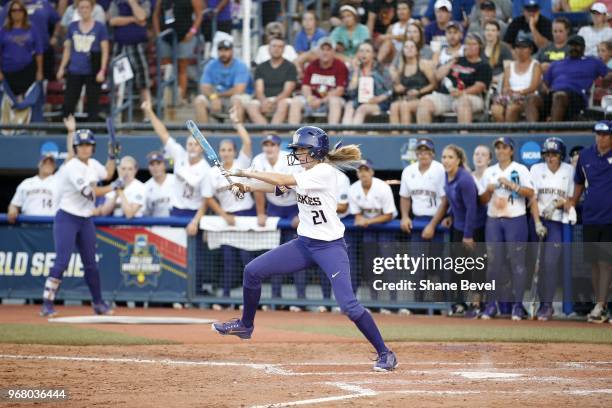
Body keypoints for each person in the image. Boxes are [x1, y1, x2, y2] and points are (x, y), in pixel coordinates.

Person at [212, 126, 399, 372]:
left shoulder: (323, 171)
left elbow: (282, 180)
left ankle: (385, 353)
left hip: (330, 247)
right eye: (297, 149)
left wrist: (246, 173)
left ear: (316, 151)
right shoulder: (305, 170)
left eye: (302, 149)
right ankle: (246, 326)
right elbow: (279, 188)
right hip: (304, 244)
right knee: (252, 271)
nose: (298, 153)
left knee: (349, 306)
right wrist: (246, 187)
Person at [40, 121, 119, 317]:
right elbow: (90, 193)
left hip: (85, 219)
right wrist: (116, 186)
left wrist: (112, 155)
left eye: (88, 145)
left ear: (92, 147)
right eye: (81, 145)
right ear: (75, 148)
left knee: (91, 263)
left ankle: (99, 303)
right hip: (67, 216)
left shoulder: (92, 164)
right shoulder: (72, 166)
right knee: (62, 261)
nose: (84, 148)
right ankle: (47, 303)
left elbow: (108, 173)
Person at [423, 144, 486, 318]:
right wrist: (449, 215)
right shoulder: (445, 175)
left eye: (450, 157)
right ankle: (459, 304)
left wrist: (468, 235)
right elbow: (452, 200)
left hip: (474, 228)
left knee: (476, 267)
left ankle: (477, 304)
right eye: (444, 157)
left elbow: (472, 208)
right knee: (458, 267)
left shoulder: (465, 179)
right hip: (458, 226)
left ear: (458, 160)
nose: (446, 160)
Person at [479, 137, 535, 320]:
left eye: (505, 148)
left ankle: (518, 306)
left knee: (517, 263)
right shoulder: (489, 171)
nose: (501, 151)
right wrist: (488, 190)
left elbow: (531, 193)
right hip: (494, 219)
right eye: (498, 148)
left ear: (511, 150)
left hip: (515, 218)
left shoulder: (520, 169)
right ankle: (490, 305)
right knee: (493, 264)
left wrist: (512, 185)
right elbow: (482, 200)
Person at [201, 110, 254, 301]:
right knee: (228, 260)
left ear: (234, 151)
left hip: (246, 214)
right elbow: (208, 198)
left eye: (229, 149)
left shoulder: (241, 163)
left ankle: (251, 297)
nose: (226, 153)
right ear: (219, 152)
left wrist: (236, 122)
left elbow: (247, 142)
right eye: (223, 150)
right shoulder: (212, 172)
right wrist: (223, 215)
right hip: (227, 217)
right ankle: (225, 297)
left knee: (247, 259)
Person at [251, 133, 305, 308]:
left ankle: (301, 299)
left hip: (293, 206)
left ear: (278, 146)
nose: (269, 148)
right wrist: (260, 212)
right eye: (266, 145)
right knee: (273, 253)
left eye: (272, 145)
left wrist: (302, 214)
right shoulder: (258, 160)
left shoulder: (290, 159)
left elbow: (301, 186)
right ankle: (275, 299)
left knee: (298, 253)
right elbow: (257, 188)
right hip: (274, 206)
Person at [568, 121, 612, 323]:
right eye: (598, 134)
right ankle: (600, 304)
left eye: (605, 134)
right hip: (591, 216)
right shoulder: (585, 155)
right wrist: (572, 203)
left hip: (610, 217)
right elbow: (578, 181)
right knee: (594, 262)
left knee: (605, 263)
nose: (601, 138)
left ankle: (601, 305)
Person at [141, 101, 210, 228]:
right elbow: (163, 134)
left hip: (194, 213)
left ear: (202, 148)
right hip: (176, 210)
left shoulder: (206, 169)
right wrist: (150, 112)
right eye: (190, 144)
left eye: (196, 145)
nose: (193, 148)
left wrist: (195, 221)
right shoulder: (179, 155)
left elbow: (206, 200)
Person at [529, 137, 575, 321]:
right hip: (538, 221)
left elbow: (573, 198)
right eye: (547, 154)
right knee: (537, 265)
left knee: (550, 263)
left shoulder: (569, 170)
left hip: (557, 222)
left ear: (561, 155)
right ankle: (541, 304)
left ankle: (547, 305)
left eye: (554, 154)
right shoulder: (536, 169)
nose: (550, 158)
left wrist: (558, 203)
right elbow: (532, 199)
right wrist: (537, 223)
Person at [348, 159, 402, 313]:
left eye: (366, 170)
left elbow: (389, 215)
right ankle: (374, 302)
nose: (363, 173)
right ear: (357, 173)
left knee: (388, 264)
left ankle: (394, 303)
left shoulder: (382, 187)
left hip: (385, 226)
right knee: (371, 265)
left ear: (372, 172)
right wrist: (361, 219)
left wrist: (368, 221)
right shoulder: (353, 189)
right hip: (369, 228)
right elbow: (357, 215)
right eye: (360, 170)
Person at [399, 138, 446, 303]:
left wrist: (433, 224)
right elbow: (405, 197)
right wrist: (405, 216)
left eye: (427, 151)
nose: (423, 154)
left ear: (433, 154)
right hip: (418, 221)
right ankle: (417, 305)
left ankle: (441, 307)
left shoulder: (440, 169)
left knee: (438, 268)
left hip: (438, 223)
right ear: (416, 153)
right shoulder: (408, 171)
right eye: (420, 151)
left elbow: (445, 199)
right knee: (417, 267)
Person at [526, 35, 610, 122]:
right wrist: (543, 88)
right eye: (571, 45)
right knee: (531, 98)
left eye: (576, 45)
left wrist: (606, 81)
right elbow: (544, 83)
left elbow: (609, 74)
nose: (573, 48)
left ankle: (553, 131)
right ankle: (533, 132)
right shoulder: (556, 63)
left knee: (559, 96)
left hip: (576, 98)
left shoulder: (592, 61)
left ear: (583, 48)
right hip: (553, 95)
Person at [416, 32, 492, 124]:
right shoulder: (457, 60)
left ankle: (463, 136)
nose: (469, 46)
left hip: (470, 96)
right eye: (467, 44)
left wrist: (462, 93)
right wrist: (452, 60)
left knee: (463, 102)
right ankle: (423, 137)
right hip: (447, 95)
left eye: (473, 44)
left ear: (480, 46)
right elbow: (438, 76)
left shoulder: (484, 65)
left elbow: (480, 87)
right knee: (424, 102)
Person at [57, 0, 109, 122]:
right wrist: (61, 68)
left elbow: (105, 50)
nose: (84, 10)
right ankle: (67, 129)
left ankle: (92, 131)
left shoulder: (100, 27)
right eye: (81, 7)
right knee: (69, 102)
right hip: (74, 69)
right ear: (78, 9)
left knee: (93, 103)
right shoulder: (72, 26)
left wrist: (102, 70)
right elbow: (68, 49)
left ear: (92, 9)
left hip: (92, 69)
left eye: (87, 7)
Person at [288, 37, 348, 125]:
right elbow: (305, 86)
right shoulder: (312, 65)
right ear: (318, 51)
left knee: (334, 101)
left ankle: (333, 133)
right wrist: (309, 98)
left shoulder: (340, 66)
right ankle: (293, 134)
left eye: (328, 50)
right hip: (312, 98)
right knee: (296, 101)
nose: (325, 52)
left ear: (333, 52)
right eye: (322, 49)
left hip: (330, 99)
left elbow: (340, 90)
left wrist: (322, 101)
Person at [153, 0, 203, 104]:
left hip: (184, 35)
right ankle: (167, 96)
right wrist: (158, 33)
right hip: (165, 35)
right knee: (166, 68)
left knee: (182, 67)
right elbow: (156, 15)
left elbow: (199, 14)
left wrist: (192, 32)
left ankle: (180, 97)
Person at [194, 38, 253, 123]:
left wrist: (217, 95)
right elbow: (204, 87)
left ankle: (238, 134)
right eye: (220, 50)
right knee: (199, 100)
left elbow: (238, 90)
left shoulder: (240, 65)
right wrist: (213, 97)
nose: (223, 53)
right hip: (218, 97)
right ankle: (204, 134)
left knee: (236, 100)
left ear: (232, 51)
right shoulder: (211, 65)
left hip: (240, 96)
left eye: (226, 50)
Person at [109, 0, 152, 106]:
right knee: (117, 81)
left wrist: (132, 3)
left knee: (143, 82)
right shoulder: (117, 2)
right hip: (120, 45)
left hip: (138, 46)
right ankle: (116, 113)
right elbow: (112, 21)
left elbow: (142, 16)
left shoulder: (143, 2)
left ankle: (147, 114)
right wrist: (133, 19)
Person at [246, 37, 297, 125]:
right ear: (268, 48)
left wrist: (274, 102)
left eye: (280, 46)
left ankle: (272, 131)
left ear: (284, 49)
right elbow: (259, 90)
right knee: (251, 106)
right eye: (274, 46)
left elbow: (287, 91)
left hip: (283, 99)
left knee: (283, 104)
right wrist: (264, 102)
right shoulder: (260, 67)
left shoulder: (290, 67)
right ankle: (267, 133)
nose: (276, 49)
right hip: (264, 99)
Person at [490, 37, 541, 122]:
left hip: (527, 97)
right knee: (495, 109)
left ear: (530, 49)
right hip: (511, 97)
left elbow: (534, 87)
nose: (520, 50)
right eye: (518, 47)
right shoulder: (509, 67)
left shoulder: (535, 65)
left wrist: (519, 92)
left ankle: (510, 133)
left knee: (512, 108)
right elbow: (506, 87)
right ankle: (504, 132)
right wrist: (508, 92)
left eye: (524, 47)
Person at [342, 41, 393, 126]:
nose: (363, 54)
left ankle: (351, 137)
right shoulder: (354, 69)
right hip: (358, 101)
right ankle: (345, 135)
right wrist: (356, 71)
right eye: (361, 51)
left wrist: (379, 98)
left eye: (367, 51)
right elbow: (350, 93)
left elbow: (390, 91)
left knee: (362, 109)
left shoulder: (381, 70)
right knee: (349, 106)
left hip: (378, 102)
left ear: (373, 54)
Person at [0, 0, 43, 96]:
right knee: (8, 103)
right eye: (13, 10)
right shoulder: (3, 30)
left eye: (20, 10)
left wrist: (39, 71)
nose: (17, 13)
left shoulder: (32, 29)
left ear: (24, 12)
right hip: (8, 72)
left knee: (27, 102)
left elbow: (39, 52)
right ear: (9, 13)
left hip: (27, 70)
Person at [389, 39, 436, 125]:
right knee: (394, 106)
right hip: (406, 98)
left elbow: (434, 84)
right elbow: (397, 86)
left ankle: (406, 135)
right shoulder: (401, 67)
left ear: (416, 51)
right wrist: (397, 87)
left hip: (422, 98)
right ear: (403, 51)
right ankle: (394, 136)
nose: (409, 49)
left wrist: (419, 92)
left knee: (404, 106)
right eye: (406, 47)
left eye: (412, 47)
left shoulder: (423, 65)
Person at [8, 153, 57, 222]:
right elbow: (14, 204)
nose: (48, 165)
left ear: (54, 166)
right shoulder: (26, 183)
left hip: (51, 224)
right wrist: (12, 210)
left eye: (50, 163)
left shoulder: (60, 181)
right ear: (39, 164)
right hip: (29, 225)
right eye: (45, 163)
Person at [144, 151, 176, 217]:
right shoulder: (145, 187)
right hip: (156, 225)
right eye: (152, 164)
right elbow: (145, 213)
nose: (155, 167)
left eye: (158, 163)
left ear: (164, 165)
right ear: (148, 167)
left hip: (176, 225)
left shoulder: (175, 180)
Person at [483, 21, 513, 86]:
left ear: (498, 33)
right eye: (487, 30)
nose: (489, 33)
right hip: (482, 80)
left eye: (493, 30)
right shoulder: (481, 47)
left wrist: (494, 79)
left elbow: (508, 71)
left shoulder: (504, 48)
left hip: (498, 81)